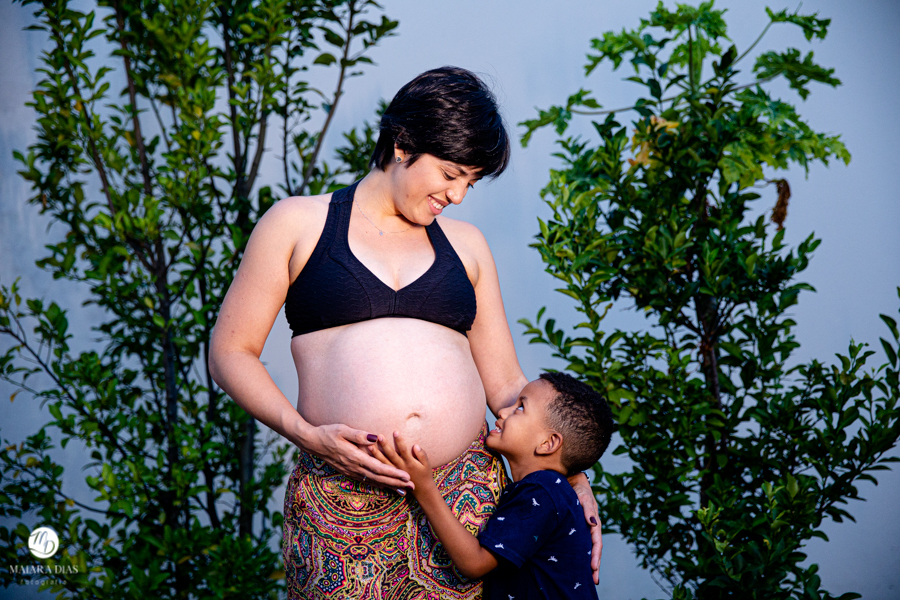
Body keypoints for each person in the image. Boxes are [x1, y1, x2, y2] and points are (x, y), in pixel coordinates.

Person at [208, 66, 602, 599]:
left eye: (471, 180)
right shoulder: (297, 223)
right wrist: (306, 435)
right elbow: (231, 352)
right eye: (450, 173)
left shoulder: (468, 246)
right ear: (403, 144)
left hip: (464, 502)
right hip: (340, 498)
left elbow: (508, 385)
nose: (459, 195)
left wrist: (570, 476)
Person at [375, 372, 614, 600]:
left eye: (520, 407)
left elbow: (475, 563)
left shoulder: (543, 491)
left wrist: (424, 487)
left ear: (548, 443)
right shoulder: (547, 490)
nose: (502, 410)